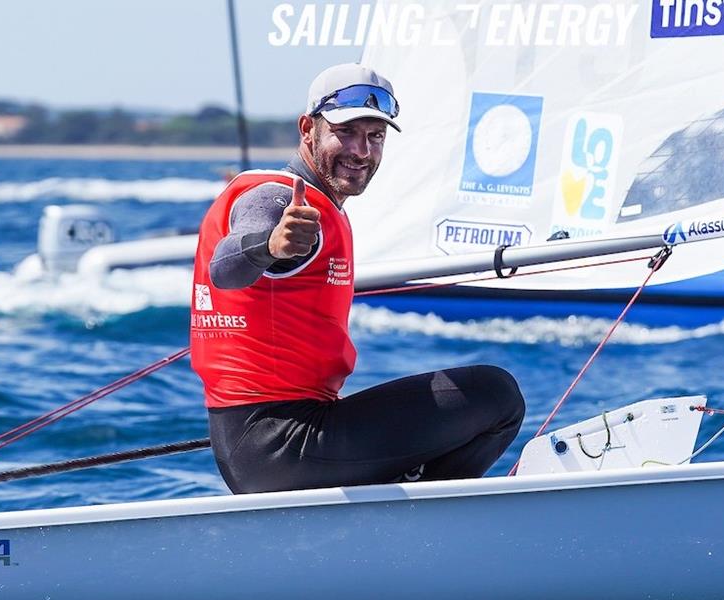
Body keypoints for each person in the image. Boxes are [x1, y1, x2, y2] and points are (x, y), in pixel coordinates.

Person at [190, 63, 526, 494]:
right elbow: (224, 268)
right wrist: (271, 245)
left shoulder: (324, 206)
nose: (361, 151)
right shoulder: (276, 199)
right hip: (280, 441)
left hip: (263, 441)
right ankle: (418, 518)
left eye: (375, 136)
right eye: (345, 132)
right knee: (495, 395)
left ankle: (405, 501)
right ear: (307, 129)